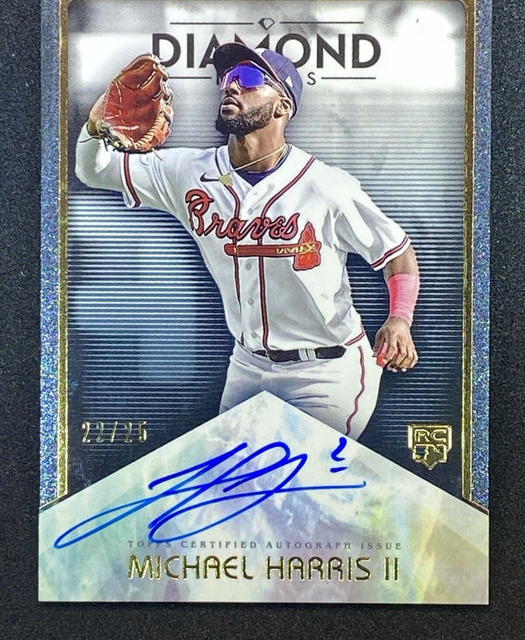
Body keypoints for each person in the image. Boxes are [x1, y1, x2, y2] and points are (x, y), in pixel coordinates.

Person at [75, 42, 419, 439]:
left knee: (296, 473)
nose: (232, 86)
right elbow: (94, 171)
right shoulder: (188, 172)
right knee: (226, 477)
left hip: (327, 372)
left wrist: (399, 318)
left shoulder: (327, 186)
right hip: (247, 367)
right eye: (227, 78)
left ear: (282, 107)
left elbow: (397, 253)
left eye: (250, 78)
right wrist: (96, 126)